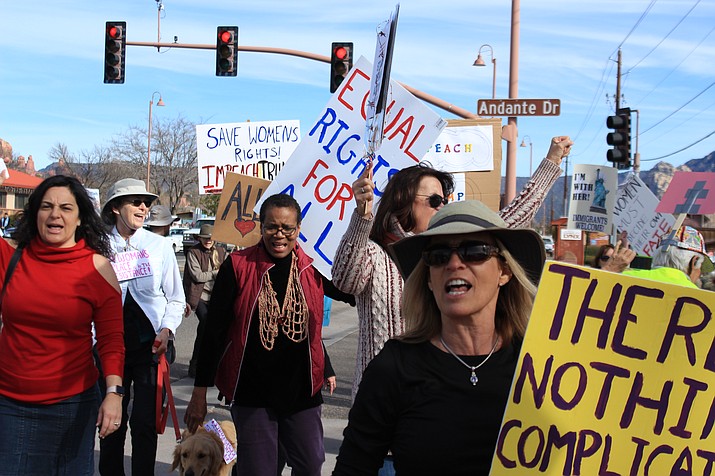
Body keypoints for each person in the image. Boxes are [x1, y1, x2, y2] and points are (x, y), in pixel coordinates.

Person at [332, 136, 573, 400]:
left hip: (437, 396)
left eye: (444, 200)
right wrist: (362, 217)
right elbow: (345, 279)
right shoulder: (374, 252)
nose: (442, 206)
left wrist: (551, 161)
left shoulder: (452, 255)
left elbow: (508, 221)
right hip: (381, 399)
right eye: (434, 200)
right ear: (404, 200)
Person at [333, 200, 545, 475]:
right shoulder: (395, 366)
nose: (455, 263)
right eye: (438, 255)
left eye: (475, 251)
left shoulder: (539, 363)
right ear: (430, 279)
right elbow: (353, 467)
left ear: (504, 271)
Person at [184, 193, 354, 476]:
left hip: (302, 392)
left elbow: (351, 289)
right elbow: (212, 333)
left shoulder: (313, 267)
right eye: (271, 226)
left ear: (298, 229)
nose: (279, 235)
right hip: (253, 392)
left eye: (287, 228)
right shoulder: (238, 266)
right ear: (260, 227)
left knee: (311, 464)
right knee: (260, 470)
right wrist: (199, 393)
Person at [0, 175, 124, 475]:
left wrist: (114, 393)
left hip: (73, 407)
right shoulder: (9, 257)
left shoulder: (99, 268)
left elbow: (111, 339)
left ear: (80, 218)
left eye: (66, 207)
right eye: (47, 206)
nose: (55, 214)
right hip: (10, 406)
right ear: (35, 214)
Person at [98, 178, 185, 476]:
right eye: (135, 201)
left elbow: (175, 298)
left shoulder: (159, 245)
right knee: (111, 425)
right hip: (110, 351)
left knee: (145, 425)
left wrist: (166, 331)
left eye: (146, 202)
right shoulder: (96, 246)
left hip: (151, 349)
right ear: (114, 208)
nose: (143, 207)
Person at [183, 223, 226, 379]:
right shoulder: (193, 252)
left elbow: (226, 274)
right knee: (206, 323)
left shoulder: (221, 251)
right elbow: (197, 276)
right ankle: (195, 364)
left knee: (212, 330)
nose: (208, 241)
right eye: (205, 238)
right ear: (200, 238)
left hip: (216, 296)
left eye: (210, 238)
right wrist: (216, 272)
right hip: (199, 295)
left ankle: (212, 364)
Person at [621, 225, 714, 288]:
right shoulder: (702, 301)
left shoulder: (621, 278)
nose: (699, 274)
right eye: (701, 267)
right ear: (694, 262)